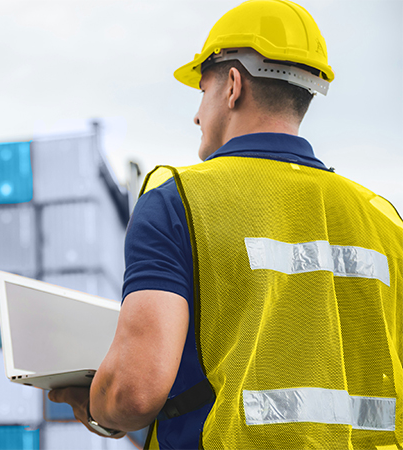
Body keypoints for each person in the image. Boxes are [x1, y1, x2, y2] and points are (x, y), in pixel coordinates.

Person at [49, 0, 403, 448]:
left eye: (202, 90)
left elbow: (135, 392)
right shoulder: (383, 221)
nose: (197, 114)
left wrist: (99, 408)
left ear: (232, 86)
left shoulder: (178, 202)